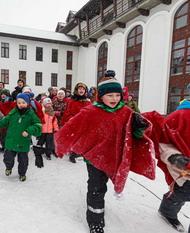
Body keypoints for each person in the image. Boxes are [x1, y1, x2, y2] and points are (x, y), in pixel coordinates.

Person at [55, 76, 156, 233]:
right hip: (94, 158)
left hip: (113, 155)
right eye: (110, 95)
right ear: (101, 95)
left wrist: (139, 127)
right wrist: (61, 144)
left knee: (103, 186)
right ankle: (95, 220)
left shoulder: (126, 112)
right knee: (97, 187)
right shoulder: (90, 112)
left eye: (117, 95)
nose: (114, 98)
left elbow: (133, 135)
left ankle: (97, 206)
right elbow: (71, 128)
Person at [156, 99, 190, 232]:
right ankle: (167, 211)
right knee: (183, 191)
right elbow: (161, 138)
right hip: (185, 166)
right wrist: (174, 156)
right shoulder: (180, 115)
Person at [0, 93, 42, 182]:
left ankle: (22, 174)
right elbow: (3, 121)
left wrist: (29, 130)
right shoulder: (13, 113)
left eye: (23, 102)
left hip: (23, 142)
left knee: (23, 161)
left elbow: (38, 125)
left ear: (27, 103)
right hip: (11, 141)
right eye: (19, 103)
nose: (21, 104)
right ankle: (8, 168)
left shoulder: (31, 114)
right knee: (8, 158)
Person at [61, 82, 91, 163]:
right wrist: (72, 119)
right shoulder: (71, 101)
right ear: (76, 90)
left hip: (84, 123)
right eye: (79, 89)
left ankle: (80, 153)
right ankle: (73, 155)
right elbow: (67, 112)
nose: (81, 90)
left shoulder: (88, 101)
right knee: (74, 139)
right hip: (74, 122)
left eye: (83, 89)